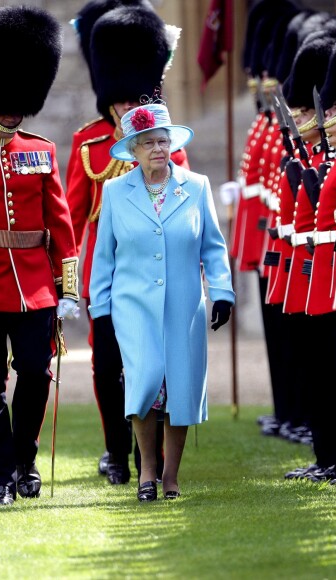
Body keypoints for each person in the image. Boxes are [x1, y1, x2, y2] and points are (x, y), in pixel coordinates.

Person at [67, 0, 189, 485]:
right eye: (117, 99)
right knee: (107, 364)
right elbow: (71, 220)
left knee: (154, 363)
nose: (123, 106)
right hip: (107, 270)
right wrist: (67, 282)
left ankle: (151, 458)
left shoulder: (169, 146)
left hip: (155, 267)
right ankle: (116, 451)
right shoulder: (88, 144)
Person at [89, 102, 235, 501]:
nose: (157, 148)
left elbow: (214, 248)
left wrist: (221, 291)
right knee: (145, 382)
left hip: (184, 306)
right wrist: (100, 310)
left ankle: (170, 477)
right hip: (132, 306)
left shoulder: (198, 186)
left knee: (180, 390)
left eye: (162, 141)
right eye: (148, 142)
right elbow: (104, 258)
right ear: (132, 150)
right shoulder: (116, 192)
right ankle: (146, 473)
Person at [0, 6, 79, 506]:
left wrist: (68, 288)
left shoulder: (40, 150)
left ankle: (23, 458)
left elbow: (61, 225)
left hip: (35, 285)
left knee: (35, 374)